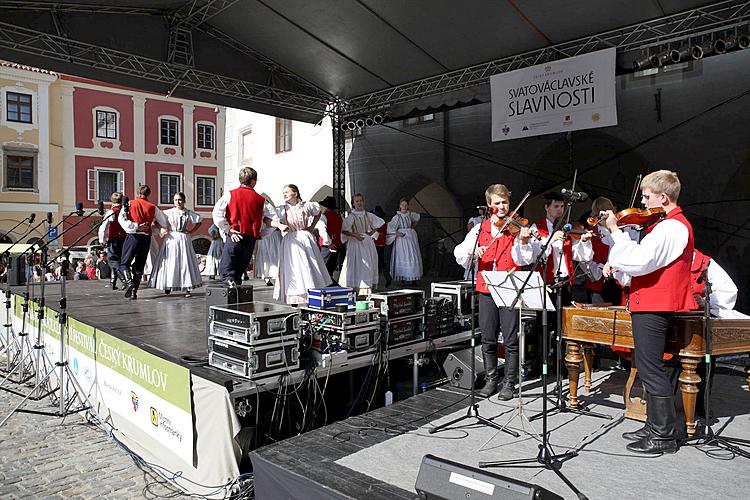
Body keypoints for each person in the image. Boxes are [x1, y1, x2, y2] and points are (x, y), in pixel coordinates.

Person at [604, 170, 696, 454]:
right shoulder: (666, 225)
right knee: (648, 367)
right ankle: (655, 425)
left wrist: (617, 233)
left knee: (651, 369)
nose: (643, 203)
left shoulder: (672, 227)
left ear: (663, 197)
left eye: (646, 196)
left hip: (656, 305)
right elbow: (644, 265)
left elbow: (643, 260)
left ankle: (663, 436)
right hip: (651, 302)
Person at [453, 184, 534, 399]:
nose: (501, 207)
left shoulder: (516, 228)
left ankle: (509, 382)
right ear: (489, 204)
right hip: (486, 287)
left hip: (509, 287)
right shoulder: (480, 229)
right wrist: (473, 250)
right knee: (488, 337)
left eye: (505, 202)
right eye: (497, 203)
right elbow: (459, 253)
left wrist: (524, 242)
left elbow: (523, 259)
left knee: (510, 338)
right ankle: (491, 380)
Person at [212, 167, 276, 287]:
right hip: (250, 237)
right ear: (253, 181)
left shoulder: (231, 194)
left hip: (235, 234)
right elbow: (274, 218)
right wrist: (262, 233)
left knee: (227, 267)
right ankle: (236, 288)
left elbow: (217, 213)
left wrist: (228, 230)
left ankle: (231, 285)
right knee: (240, 267)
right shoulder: (261, 199)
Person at [529, 192, 593, 305]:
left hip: (566, 281)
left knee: (564, 318)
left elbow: (578, 255)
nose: (560, 210)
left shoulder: (567, 227)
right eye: (556, 206)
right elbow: (535, 255)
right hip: (547, 281)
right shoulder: (537, 227)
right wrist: (551, 239)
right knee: (546, 319)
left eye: (562, 206)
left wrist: (584, 241)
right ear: (546, 207)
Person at [273, 184, 331, 304]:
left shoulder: (306, 206)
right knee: (294, 267)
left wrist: (311, 227)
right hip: (291, 240)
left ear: (295, 193)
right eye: (283, 192)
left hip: (305, 237)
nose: (284, 194)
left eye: (287, 192)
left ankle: (312, 293)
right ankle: (295, 296)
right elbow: (268, 219)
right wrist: (279, 225)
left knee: (308, 265)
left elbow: (318, 212)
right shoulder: (282, 209)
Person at [117, 185, 167, 301]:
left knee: (124, 263)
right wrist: (153, 224)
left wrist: (135, 227)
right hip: (146, 239)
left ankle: (129, 283)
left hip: (133, 236)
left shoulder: (130, 204)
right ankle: (134, 292)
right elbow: (163, 221)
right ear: (149, 194)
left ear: (137, 193)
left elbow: (121, 219)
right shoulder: (152, 207)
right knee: (139, 266)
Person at [149, 192, 203, 297]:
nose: (177, 202)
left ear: (184, 201)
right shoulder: (168, 212)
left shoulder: (188, 213)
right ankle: (168, 284)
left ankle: (187, 287)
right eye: (175, 200)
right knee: (170, 262)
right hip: (171, 239)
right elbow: (155, 221)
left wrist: (191, 231)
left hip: (183, 239)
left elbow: (199, 221)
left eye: (179, 200)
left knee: (185, 262)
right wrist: (161, 230)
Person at [340, 193, 384, 297]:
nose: (359, 203)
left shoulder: (368, 215)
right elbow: (344, 230)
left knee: (367, 266)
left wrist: (369, 234)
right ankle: (355, 289)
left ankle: (365, 290)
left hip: (367, 243)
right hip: (355, 244)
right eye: (357, 201)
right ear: (353, 203)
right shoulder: (351, 216)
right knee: (356, 265)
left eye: (361, 200)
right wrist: (355, 235)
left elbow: (380, 222)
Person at [386, 198, 423, 285]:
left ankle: (413, 279)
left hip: (410, 237)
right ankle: (403, 276)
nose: (404, 207)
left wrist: (412, 227)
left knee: (412, 256)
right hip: (402, 239)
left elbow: (417, 218)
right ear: (400, 206)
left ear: (408, 206)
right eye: (402, 205)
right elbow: (390, 227)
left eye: (406, 205)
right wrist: (397, 233)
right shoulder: (397, 217)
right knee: (403, 256)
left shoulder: (410, 214)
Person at [98, 192, 126, 290]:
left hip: (114, 239)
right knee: (120, 261)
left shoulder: (111, 212)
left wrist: (101, 239)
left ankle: (124, 279)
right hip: (124, 239)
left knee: (113, 260)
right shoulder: (124, 211)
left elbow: (103, 226)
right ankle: (113, 282)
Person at [317, 196, 344, 281]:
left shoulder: (323, 216)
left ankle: (324, 286)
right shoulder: (339, 217)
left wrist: (329, 243)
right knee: (331, 268)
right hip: (338, 244)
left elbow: (323, 231)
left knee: (323, 268)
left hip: (328, 245)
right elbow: (343, 230)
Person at [254, 218, 281, 286]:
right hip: (265, 233)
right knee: (265, 255)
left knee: (276, 254)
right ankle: (267, 276)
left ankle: (277, 274)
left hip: (276, 233)